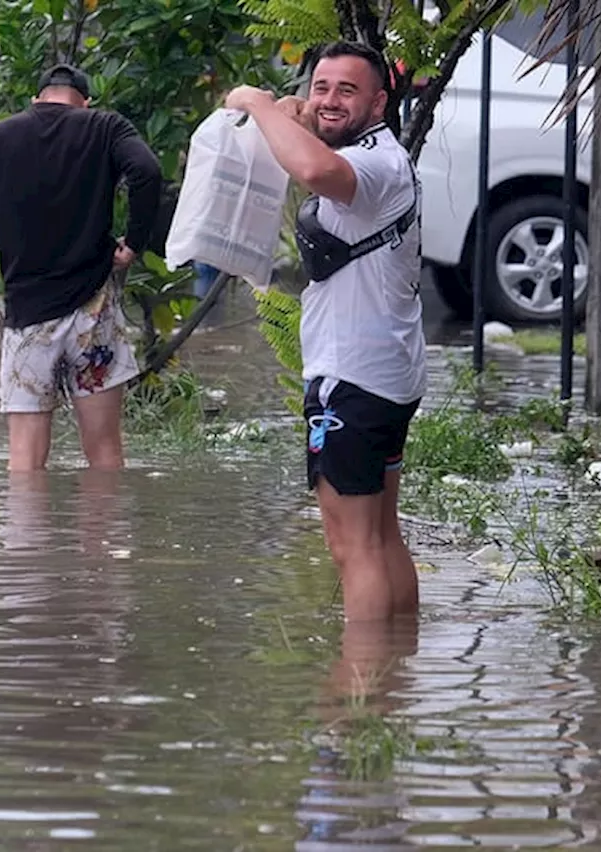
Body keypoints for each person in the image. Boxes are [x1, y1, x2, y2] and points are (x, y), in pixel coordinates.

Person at [224, 42, 426, 623]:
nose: (330, 100)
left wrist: (259, 105)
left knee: (351, 547)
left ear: (381, 101)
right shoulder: (373, 150)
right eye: (322, 87)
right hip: (383, 370)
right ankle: (394, 681)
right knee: (383, 537)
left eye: (347, 90)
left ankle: (359, 694)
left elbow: (313, 169)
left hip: (354, 375)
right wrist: (294, 111)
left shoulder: (373, 164)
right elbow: (312, 147)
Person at [0, 64, 163, 472]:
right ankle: (102, 537)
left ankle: (27, 536)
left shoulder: (1, 135)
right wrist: (133, 243)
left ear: (36, 99)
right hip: (92, 312)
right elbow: (147, 172)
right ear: (86, 102)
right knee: (105, 451)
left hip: (27, 316)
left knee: (23, 457)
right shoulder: (106, 126)